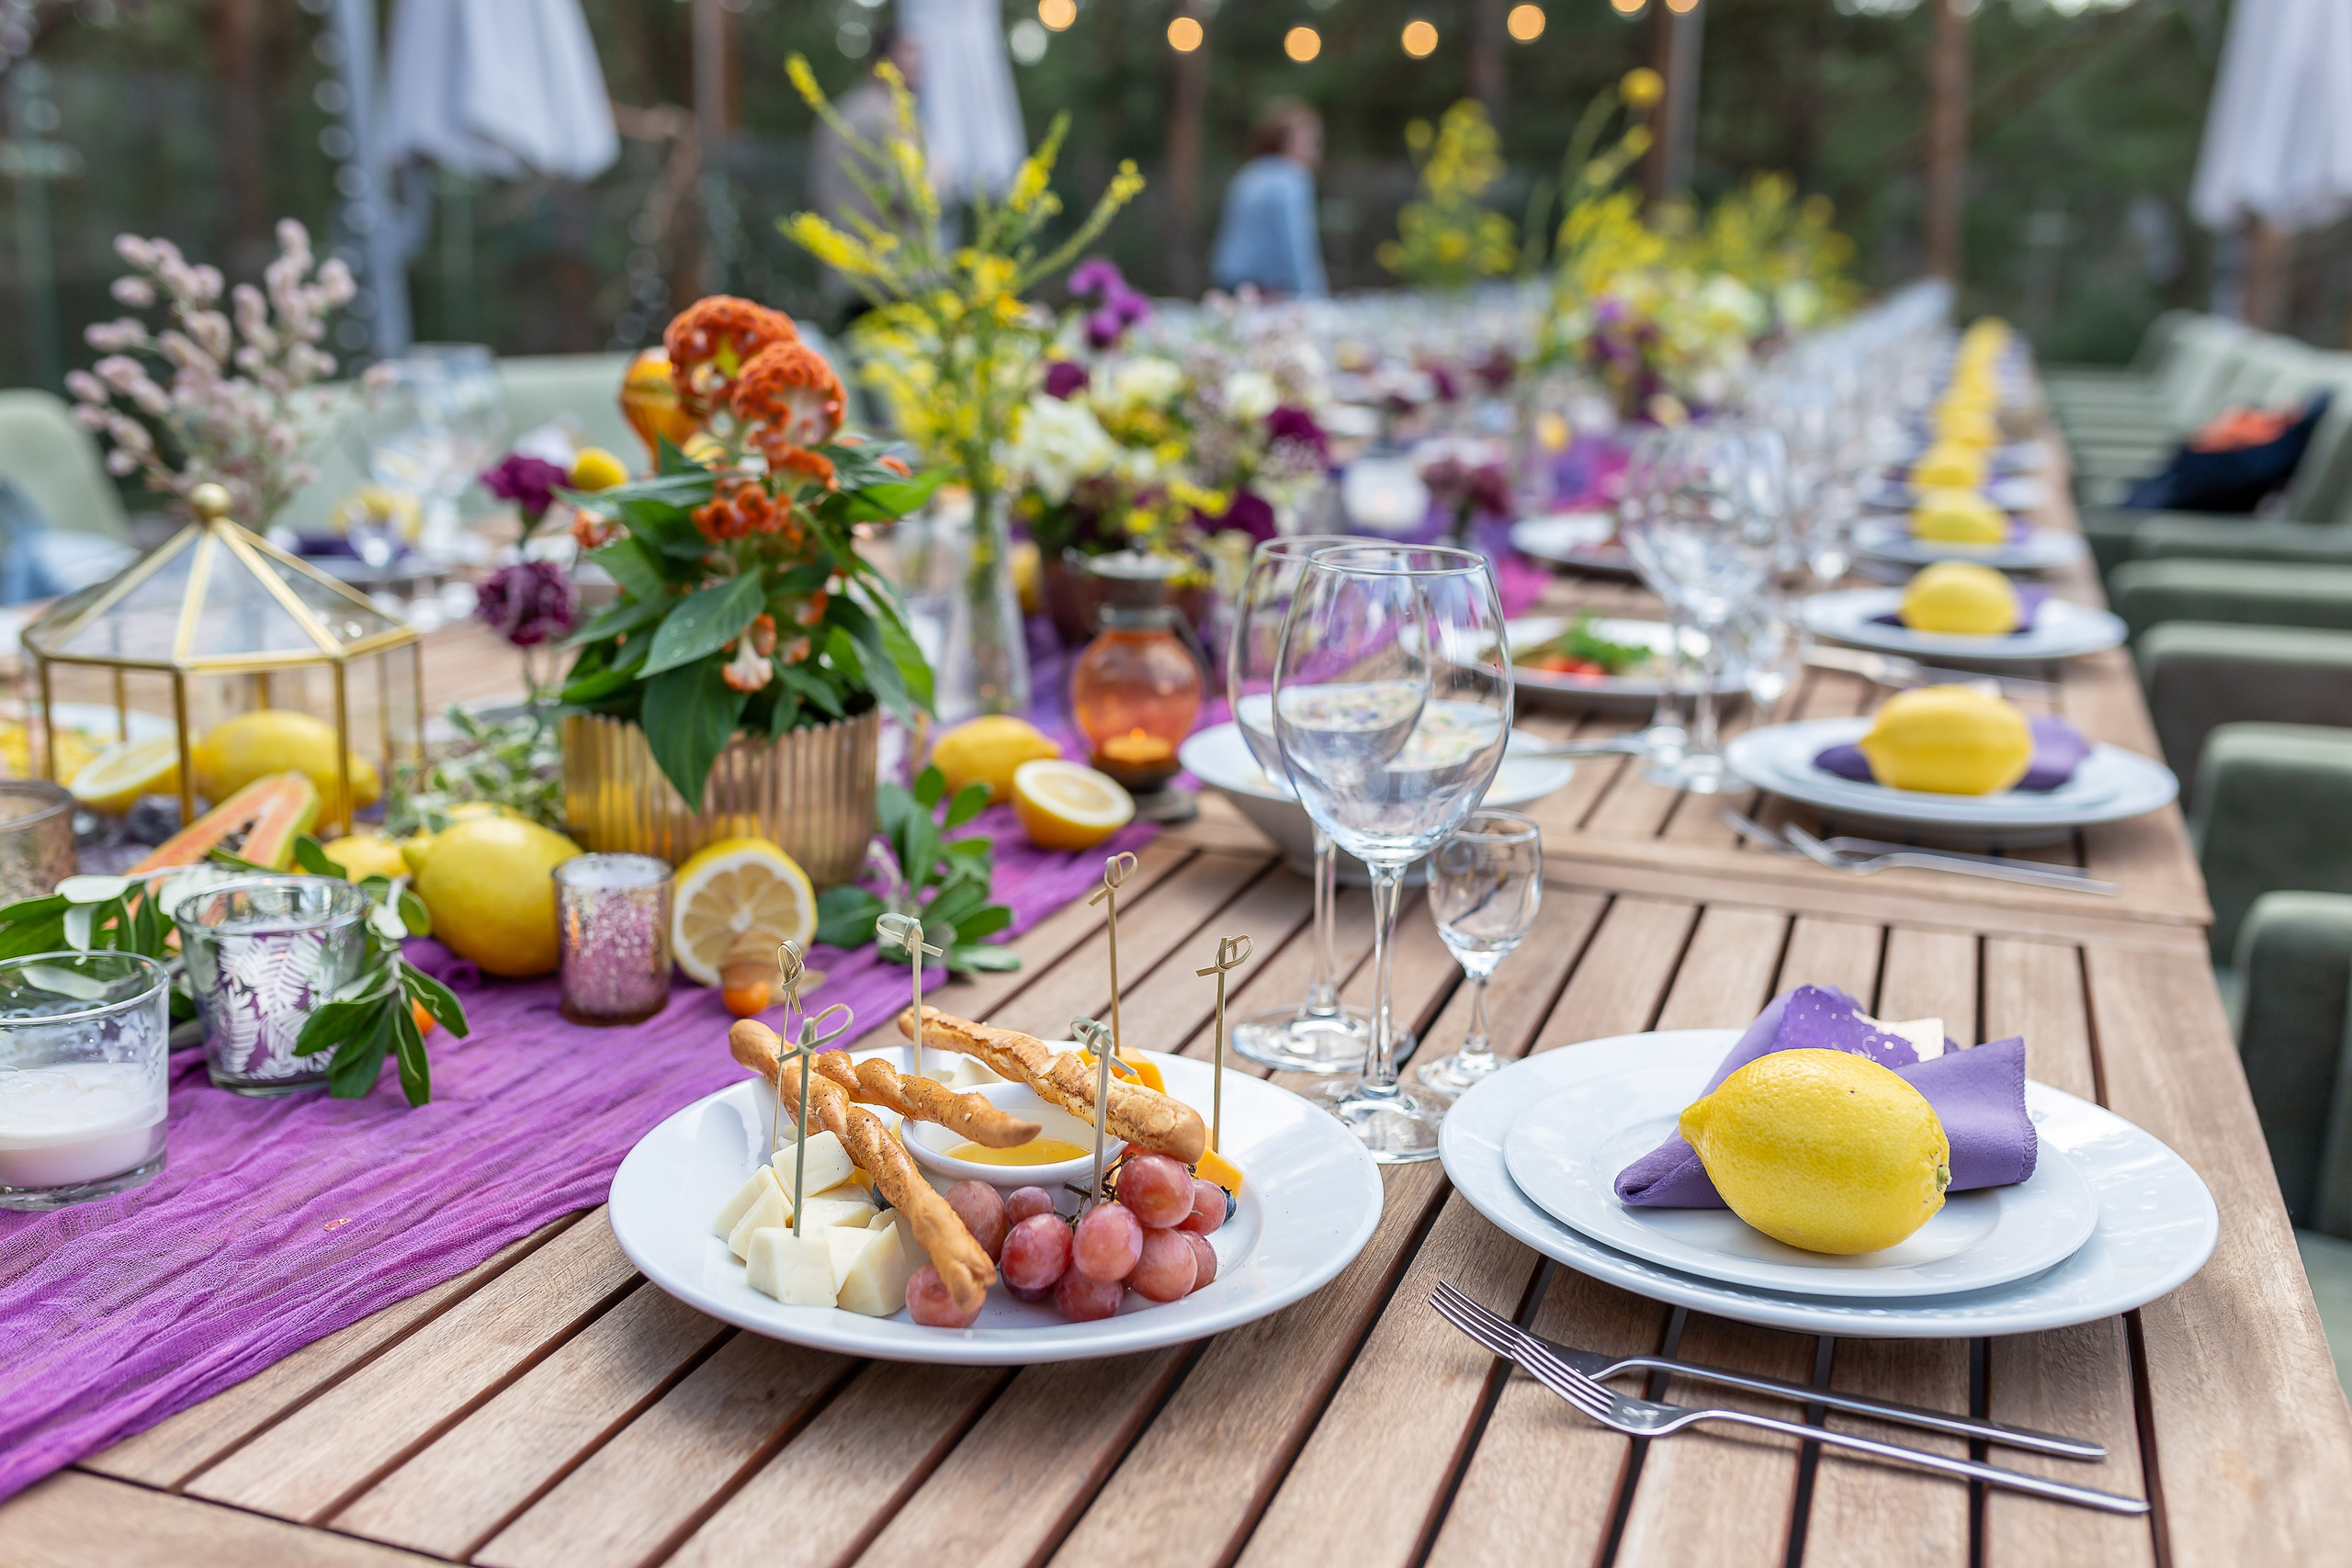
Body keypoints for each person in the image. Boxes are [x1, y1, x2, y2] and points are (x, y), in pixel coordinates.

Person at [808, 23, 926, 320]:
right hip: (891, 277)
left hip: (844, 274)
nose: (918, 66)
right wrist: (945, 177)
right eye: (909, 55)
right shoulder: (890, 117)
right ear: (881, 62)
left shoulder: (840, 112)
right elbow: (908, 194)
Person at [1208, 99, 1329, 299]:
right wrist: (1312, 295)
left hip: (1229, 280)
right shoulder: (1292, 177)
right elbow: (1296, 245)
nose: (1316, 148)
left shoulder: (1248, 173)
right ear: (1287, 140)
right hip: (1268, 289)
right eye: (1311, 140)